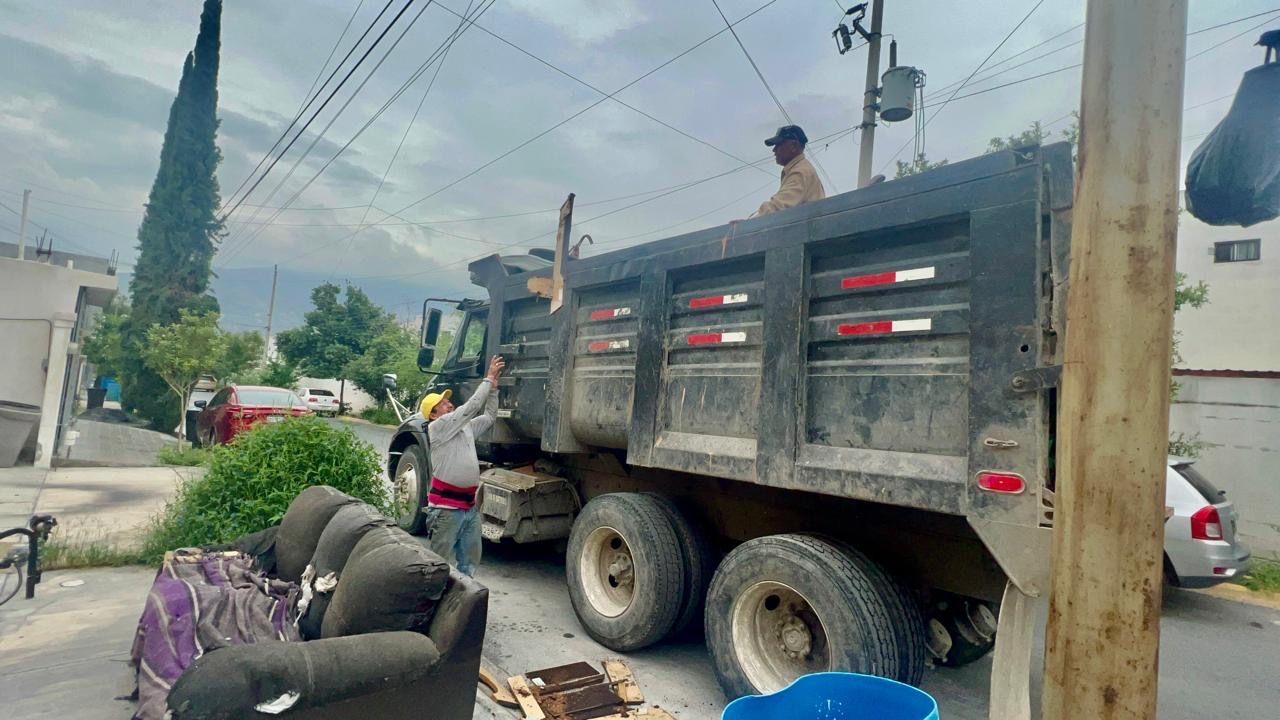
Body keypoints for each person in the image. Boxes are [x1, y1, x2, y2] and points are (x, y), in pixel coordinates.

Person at [417, 355, 505, 576]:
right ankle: (432, 605)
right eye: (443, 403)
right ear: (433, 414)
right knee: (437, 565)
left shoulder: (464, 428)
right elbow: (471, 408)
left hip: (468, 508)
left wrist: (494, 390)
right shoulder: (437, 428)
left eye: (447, 401)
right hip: (446, 511)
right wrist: (488, 379)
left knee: (469, 564)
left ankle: (460, 606)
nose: (449, 403)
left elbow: (489, 416)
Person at [755, 125, 826, 217]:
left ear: (794, 146)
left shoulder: (800, 172)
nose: (774, 150)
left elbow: (777, 207)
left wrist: (746, 225)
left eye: (779, 145)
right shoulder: (802, 168)